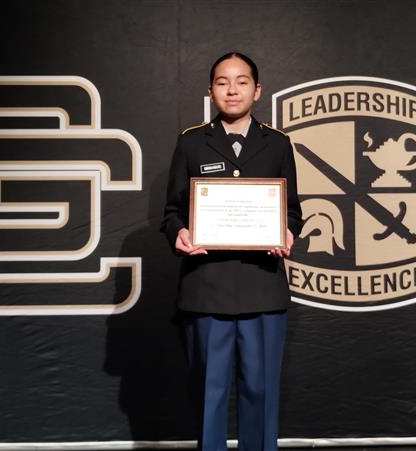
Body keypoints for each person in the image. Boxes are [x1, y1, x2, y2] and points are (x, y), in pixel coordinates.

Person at [160, 52, 303, 451]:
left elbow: (292, 210)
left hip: (262, 286)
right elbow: (171, 212)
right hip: (206, 289)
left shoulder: (277, 144)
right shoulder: (191, 142)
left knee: (261, 390)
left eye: (242, 81)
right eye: (223, 82)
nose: (232, 89)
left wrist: (288, 232)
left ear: (257, 90)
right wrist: (180, 233)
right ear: (210, 91)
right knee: (210, 394)